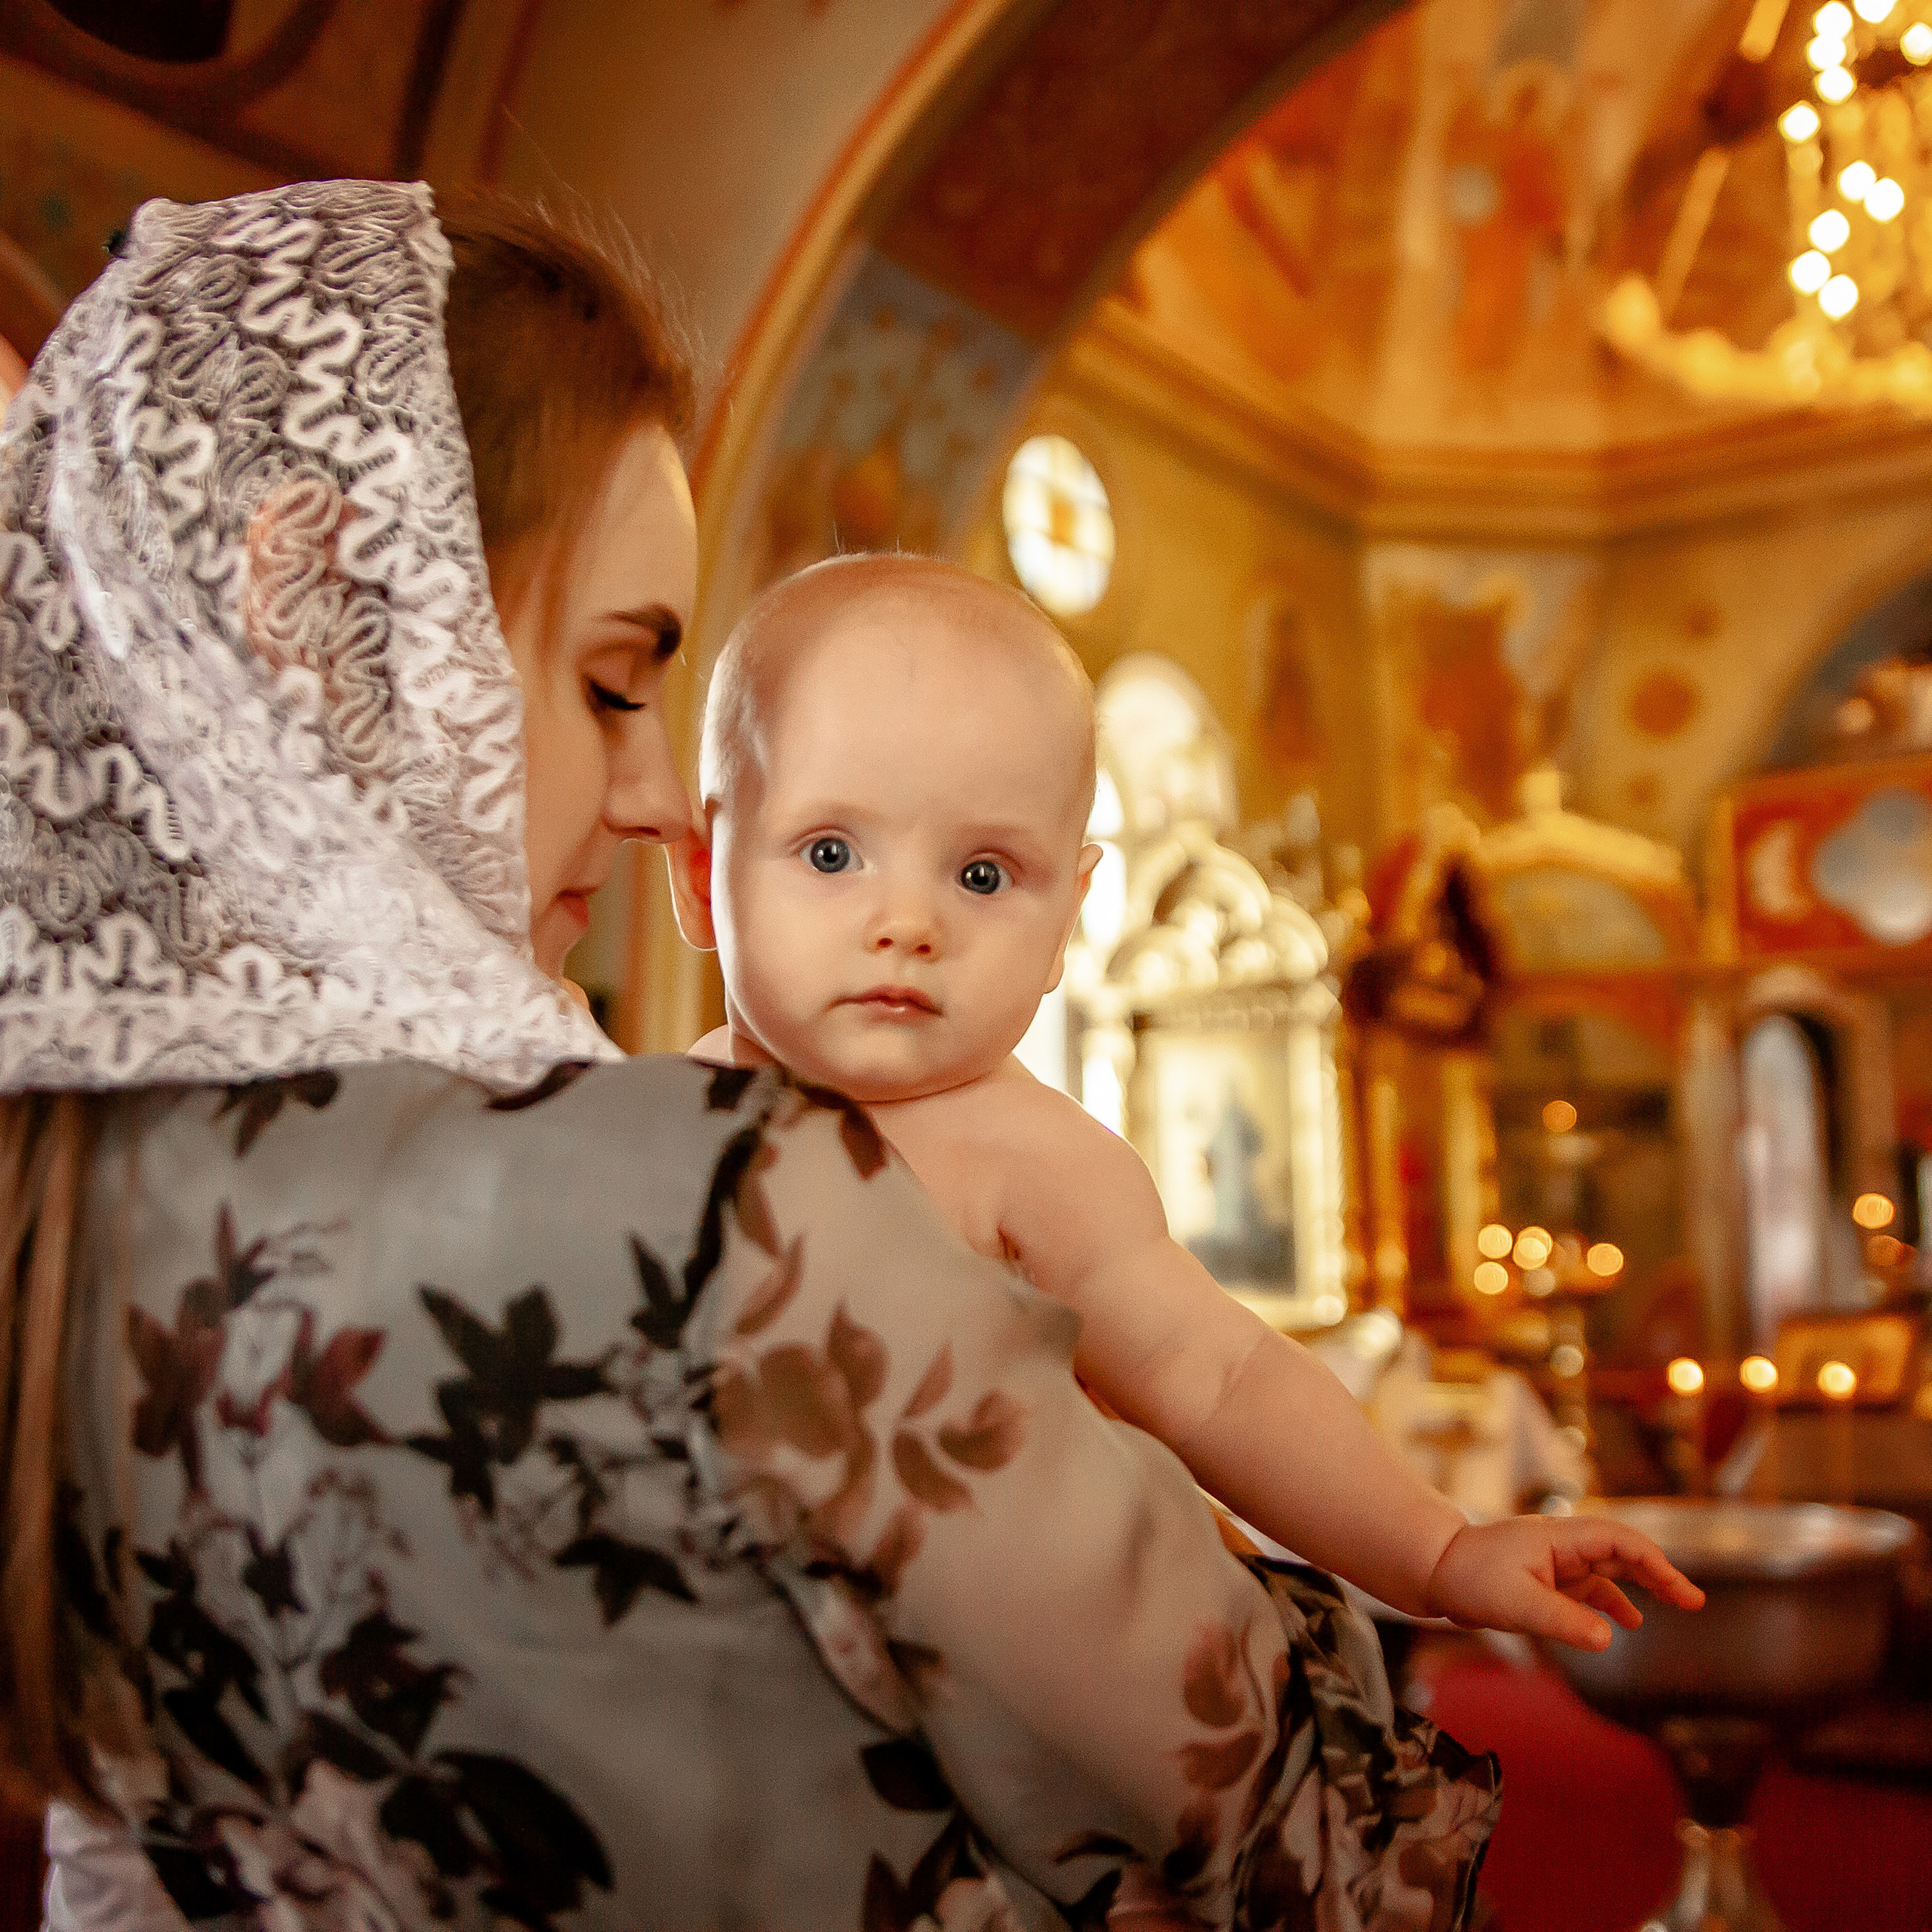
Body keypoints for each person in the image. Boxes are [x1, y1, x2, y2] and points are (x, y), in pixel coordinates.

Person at [0, 181, 1503, 1932]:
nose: (656, 801)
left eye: (982, 869)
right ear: (316, 602)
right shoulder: (725, 1197)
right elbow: (1272, 1814)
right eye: (609, 683)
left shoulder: (66, 1222)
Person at [672, 554, 1704, 1647]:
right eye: (832, 852)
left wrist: (1437, 1549)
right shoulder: (655, 1119)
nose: (908, 923)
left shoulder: (1025, 1158)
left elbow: (1220, 1378)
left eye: (982, 875)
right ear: (701, 875)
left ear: (1069, 918)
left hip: (952, 1670)